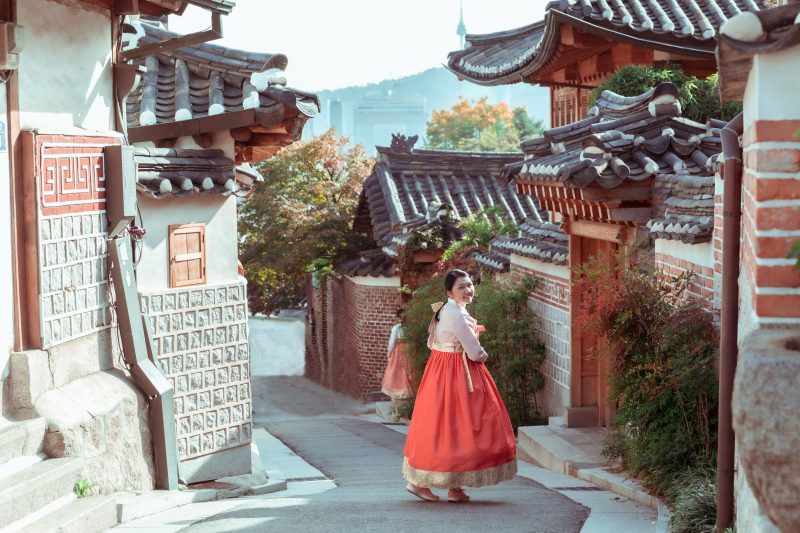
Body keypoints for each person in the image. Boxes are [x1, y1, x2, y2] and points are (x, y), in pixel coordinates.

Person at [402, 269, 517, 503]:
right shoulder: (456, 314)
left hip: (440, 370)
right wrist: (483, 356)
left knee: (446, 427)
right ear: (449, 292)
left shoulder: (445, 309)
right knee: (465, 425)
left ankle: (453, 487)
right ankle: (421, 483)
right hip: (457, 372)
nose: (468, 290)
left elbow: (431, 342)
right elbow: (474, 351)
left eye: (470, 284)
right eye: (461, 287)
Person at [381, 309, 414, 400]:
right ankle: (410, 392)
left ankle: (400, 390)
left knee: (398, 369)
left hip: (399, 350)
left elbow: (392, 342)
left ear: (398, 317)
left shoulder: (397, 328)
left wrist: (389, 353)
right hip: (410, 349)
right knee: (408, 368)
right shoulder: (411, 327)